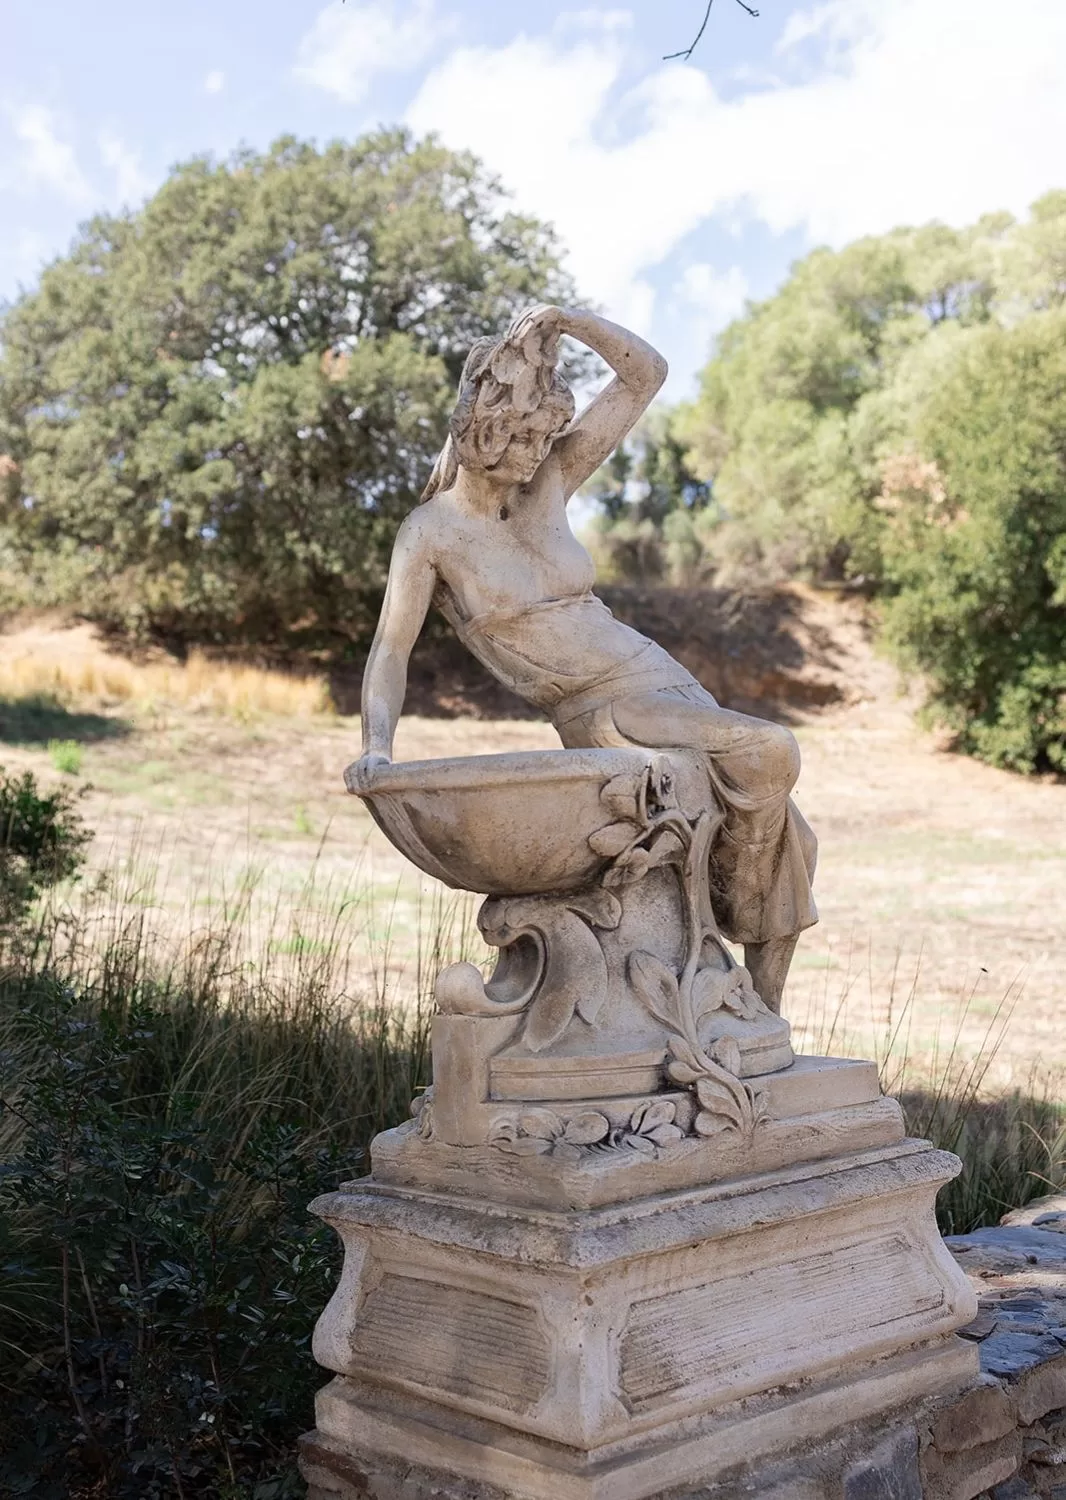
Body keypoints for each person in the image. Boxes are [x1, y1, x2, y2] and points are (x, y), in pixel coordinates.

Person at [348, 305, 817, 1011]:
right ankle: (742, 972)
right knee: (770, 751)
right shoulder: (432, 534)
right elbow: (391, 648)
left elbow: (645, 375)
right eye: (527, 435)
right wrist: (376, 746)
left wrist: (568, 322)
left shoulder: (549, 485)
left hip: (665, 682)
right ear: (483, 427)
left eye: (545, 434)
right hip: (604, 708)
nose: (540, 450)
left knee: (792, 838)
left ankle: (758, 1015)